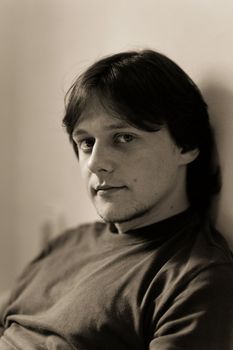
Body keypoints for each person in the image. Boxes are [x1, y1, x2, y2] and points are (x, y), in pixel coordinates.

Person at [0, 49, 233, 349]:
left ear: (186, 145)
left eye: (123, 137)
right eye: (86, 142)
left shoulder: (196, 278)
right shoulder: (70, 241)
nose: (96, 163)